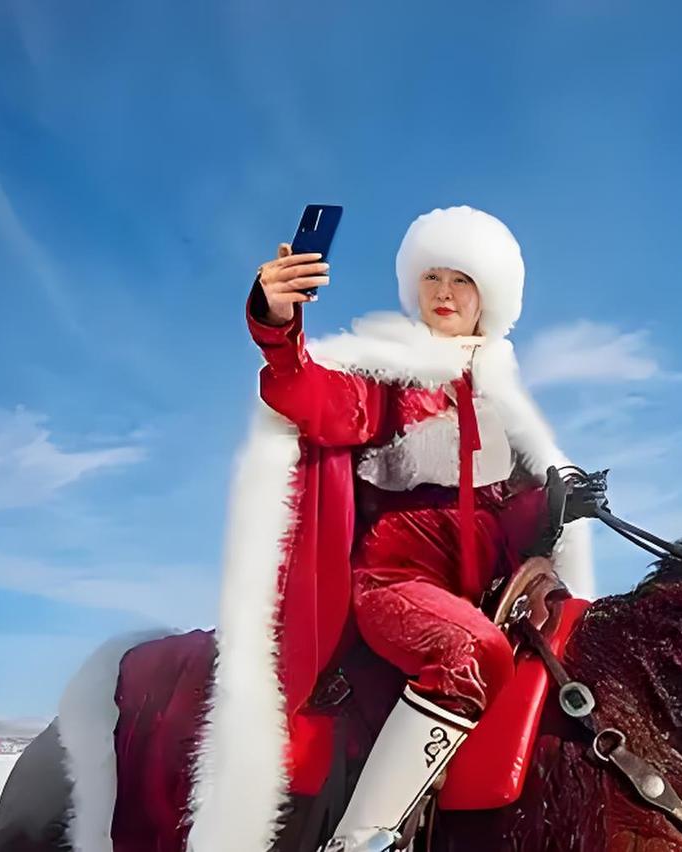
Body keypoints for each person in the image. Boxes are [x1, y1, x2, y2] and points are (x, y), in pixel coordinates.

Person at [205, 205, 593, 852]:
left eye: (462, 280)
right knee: (472, 653)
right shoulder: (385, 382)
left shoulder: (507, 409)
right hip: (393, 584)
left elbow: (517, 523)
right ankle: (359, 840)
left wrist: (558, 508)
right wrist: (276, 323)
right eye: (433, 277)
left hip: (488, 600)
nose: (444, 293)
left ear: (487, 297)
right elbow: (302, 391)